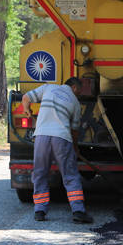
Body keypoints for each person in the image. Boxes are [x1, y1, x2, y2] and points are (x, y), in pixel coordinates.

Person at [21, 77, 93, 224]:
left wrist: (27, 110)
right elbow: (74, 131)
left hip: (41, 136)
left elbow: (26, 97)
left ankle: (39, 211)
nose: (78, 94)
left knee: (40, 173)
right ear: (73, 87)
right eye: (78, 91)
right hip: (62, 137)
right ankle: (78, 211)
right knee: (70, 175)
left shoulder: (48, 87)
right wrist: (75, 148)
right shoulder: (75, 102)